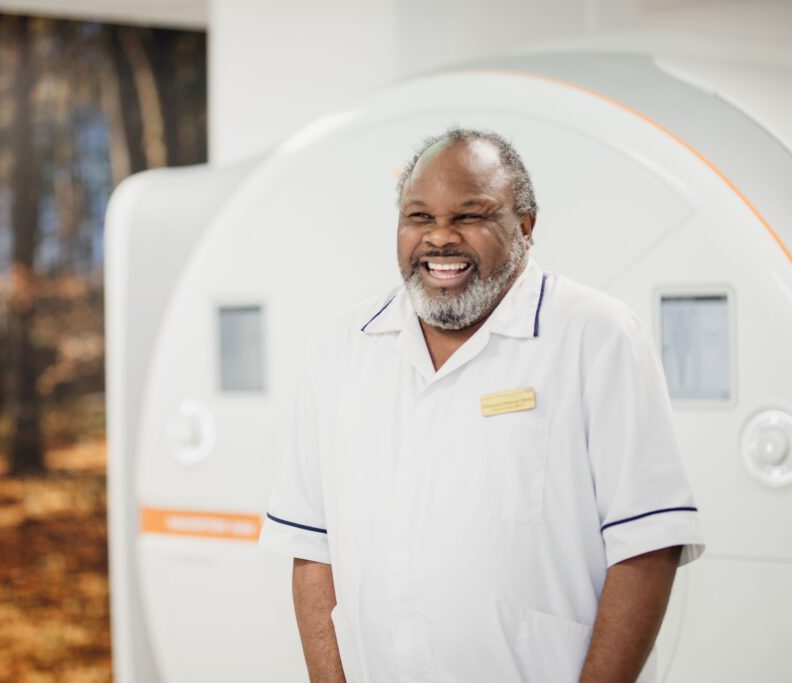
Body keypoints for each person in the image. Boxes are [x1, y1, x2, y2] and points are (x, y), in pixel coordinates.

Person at [258, 128, 705, 683]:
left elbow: (646, 549)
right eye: (419, 217)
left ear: (524, 227)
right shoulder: (340, 347)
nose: (440, 238)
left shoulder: (597, 336)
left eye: (470, 216)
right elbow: (311, 547)